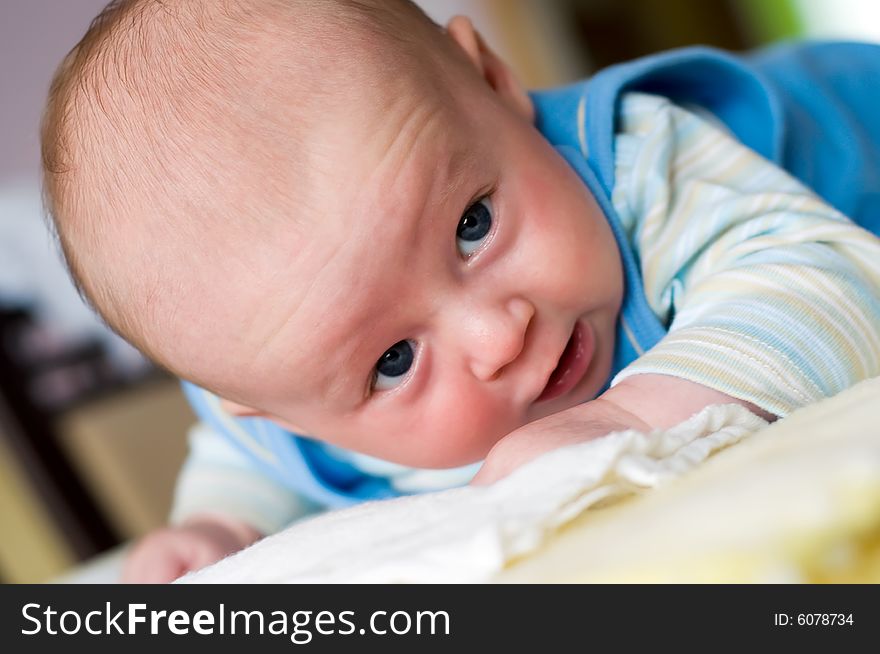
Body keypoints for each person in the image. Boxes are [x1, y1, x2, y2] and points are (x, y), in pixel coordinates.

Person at [41, 0, 880, 582]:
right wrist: (218, 524)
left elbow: (827, 276)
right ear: (272, 406)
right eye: (396, 360)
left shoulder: (641, 162)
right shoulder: (275, 389)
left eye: (472, 226)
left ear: (492, 84)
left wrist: (633, 418)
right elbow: (246, 455)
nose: (498, 337)